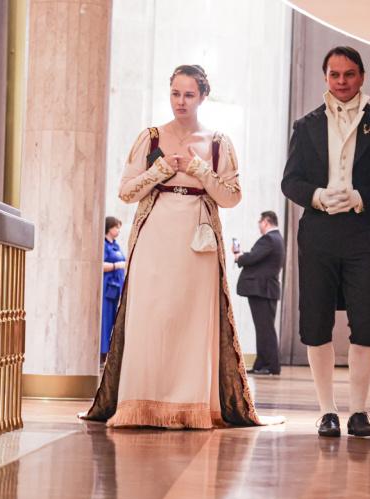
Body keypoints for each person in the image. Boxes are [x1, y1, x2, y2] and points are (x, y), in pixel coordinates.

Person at [80, 64, 263, 429]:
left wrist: (199, 169)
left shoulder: (217, 142)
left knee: (192, 318)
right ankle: (140, 402)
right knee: (151, 314)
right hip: (155, 235)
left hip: (198, 241)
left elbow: (231, 197)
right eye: (176, 93)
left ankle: (191, 405)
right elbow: (126, 192)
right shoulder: (150, 137)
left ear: (203, 96)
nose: (181, 101)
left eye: (189, 94)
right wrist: (161, 170)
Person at [281, 46, 370, 438]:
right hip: (318, 232)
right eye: (334, 74)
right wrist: (317, 196)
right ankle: (326, 411)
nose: (341, 81)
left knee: (366, 323)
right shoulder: (305, 126)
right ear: (325, 77)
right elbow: (290, 181)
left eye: (349, 74)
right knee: (315, 322)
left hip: (363, 233)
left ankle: (360, 411)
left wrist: (360, 197)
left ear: (362, 76)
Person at [233, 210, 285, 376]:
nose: (259, 225)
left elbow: (253, 257)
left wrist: (239, 257)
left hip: (262, 290)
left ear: (266, 221)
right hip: (266, 290)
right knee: (264, 329)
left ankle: (270, 365)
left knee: (265, 329)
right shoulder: (277, 239)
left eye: (260, 222)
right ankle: (262, 364)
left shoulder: (269, 239)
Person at [101, 216, 126, 362]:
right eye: (116, 227)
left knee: (114, 320)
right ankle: (103, 352)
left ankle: (111, 352)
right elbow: (100, 265)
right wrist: (117, 266)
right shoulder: (103, 245)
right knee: (105, 318)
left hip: (117, 288)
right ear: (109, 228)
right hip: (107, 288)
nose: (118, 230)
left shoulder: (116, 245)